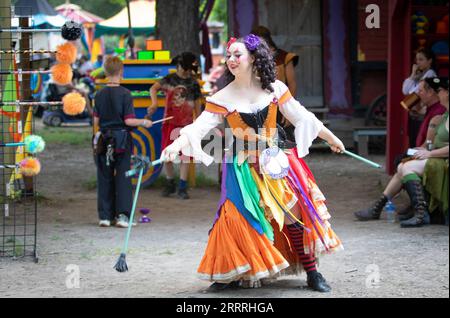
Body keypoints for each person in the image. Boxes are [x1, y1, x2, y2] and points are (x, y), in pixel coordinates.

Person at [162, 35, 345, 292]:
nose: (231, 60)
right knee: (236, 218)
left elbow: (303, 117)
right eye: (229, 56)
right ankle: (232, 274)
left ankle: (313, 273)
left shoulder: (276, 89)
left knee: (292, 215)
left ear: (253, 57)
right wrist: (174, 145)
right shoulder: (221, 97)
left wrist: (332, 138)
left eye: (237, 55)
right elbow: (197, 128)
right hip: (243, 166)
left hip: (277, 162)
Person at [354, 77, 448, 228]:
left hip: (440, 158)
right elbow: (430, 142)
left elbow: (432, 143)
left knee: (405, 166)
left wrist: (428, 152)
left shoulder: (439, 113)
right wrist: (425, 149)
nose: (418, 94)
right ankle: (380, 207)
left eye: (421, 90)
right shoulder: (442, 114)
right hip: (434, 154)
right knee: (401, 165)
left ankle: (420, 212)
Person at [93, 56, 153, 228]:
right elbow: (128, 121)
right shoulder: (125, 94)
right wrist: (144, 122)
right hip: (122, 141)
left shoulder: (99, 94)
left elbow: (96, 122)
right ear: (121, 72)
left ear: (105, 72)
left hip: (103, 140)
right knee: (123, 178)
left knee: (104, 177)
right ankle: (123, 216)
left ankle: (105, 217)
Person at [147, 52, 203, 199]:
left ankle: (183, 186)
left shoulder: (193, 83)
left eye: (188, 69)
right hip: (169, 123)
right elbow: (153, 88)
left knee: (185, 156)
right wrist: (154, 103)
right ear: (178, 65)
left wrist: (197, 124)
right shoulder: (169, 79)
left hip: (186, 126)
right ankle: (170, 182)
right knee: (167, 153)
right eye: (184, 68)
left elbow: (197, 105)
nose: (185, 72)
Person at [252, 25, 299, 141]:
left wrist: (289, 110)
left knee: (285, 143)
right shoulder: (252, 58)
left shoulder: (285, 57)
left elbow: (292, 84)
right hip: (259, 107)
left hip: (280, 105)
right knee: (261, 145)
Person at [403, 48, 437, 147]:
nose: (418, 63)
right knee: (412, 140)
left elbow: (415, 92)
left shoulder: (430, 74)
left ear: (429, 61)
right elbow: (405, 90)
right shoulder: (419, 75)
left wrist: (414, 76)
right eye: (417, 60)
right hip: (414, 113)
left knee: (419, 140)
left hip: (422, 113)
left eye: (421, 59)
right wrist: (413, 75)